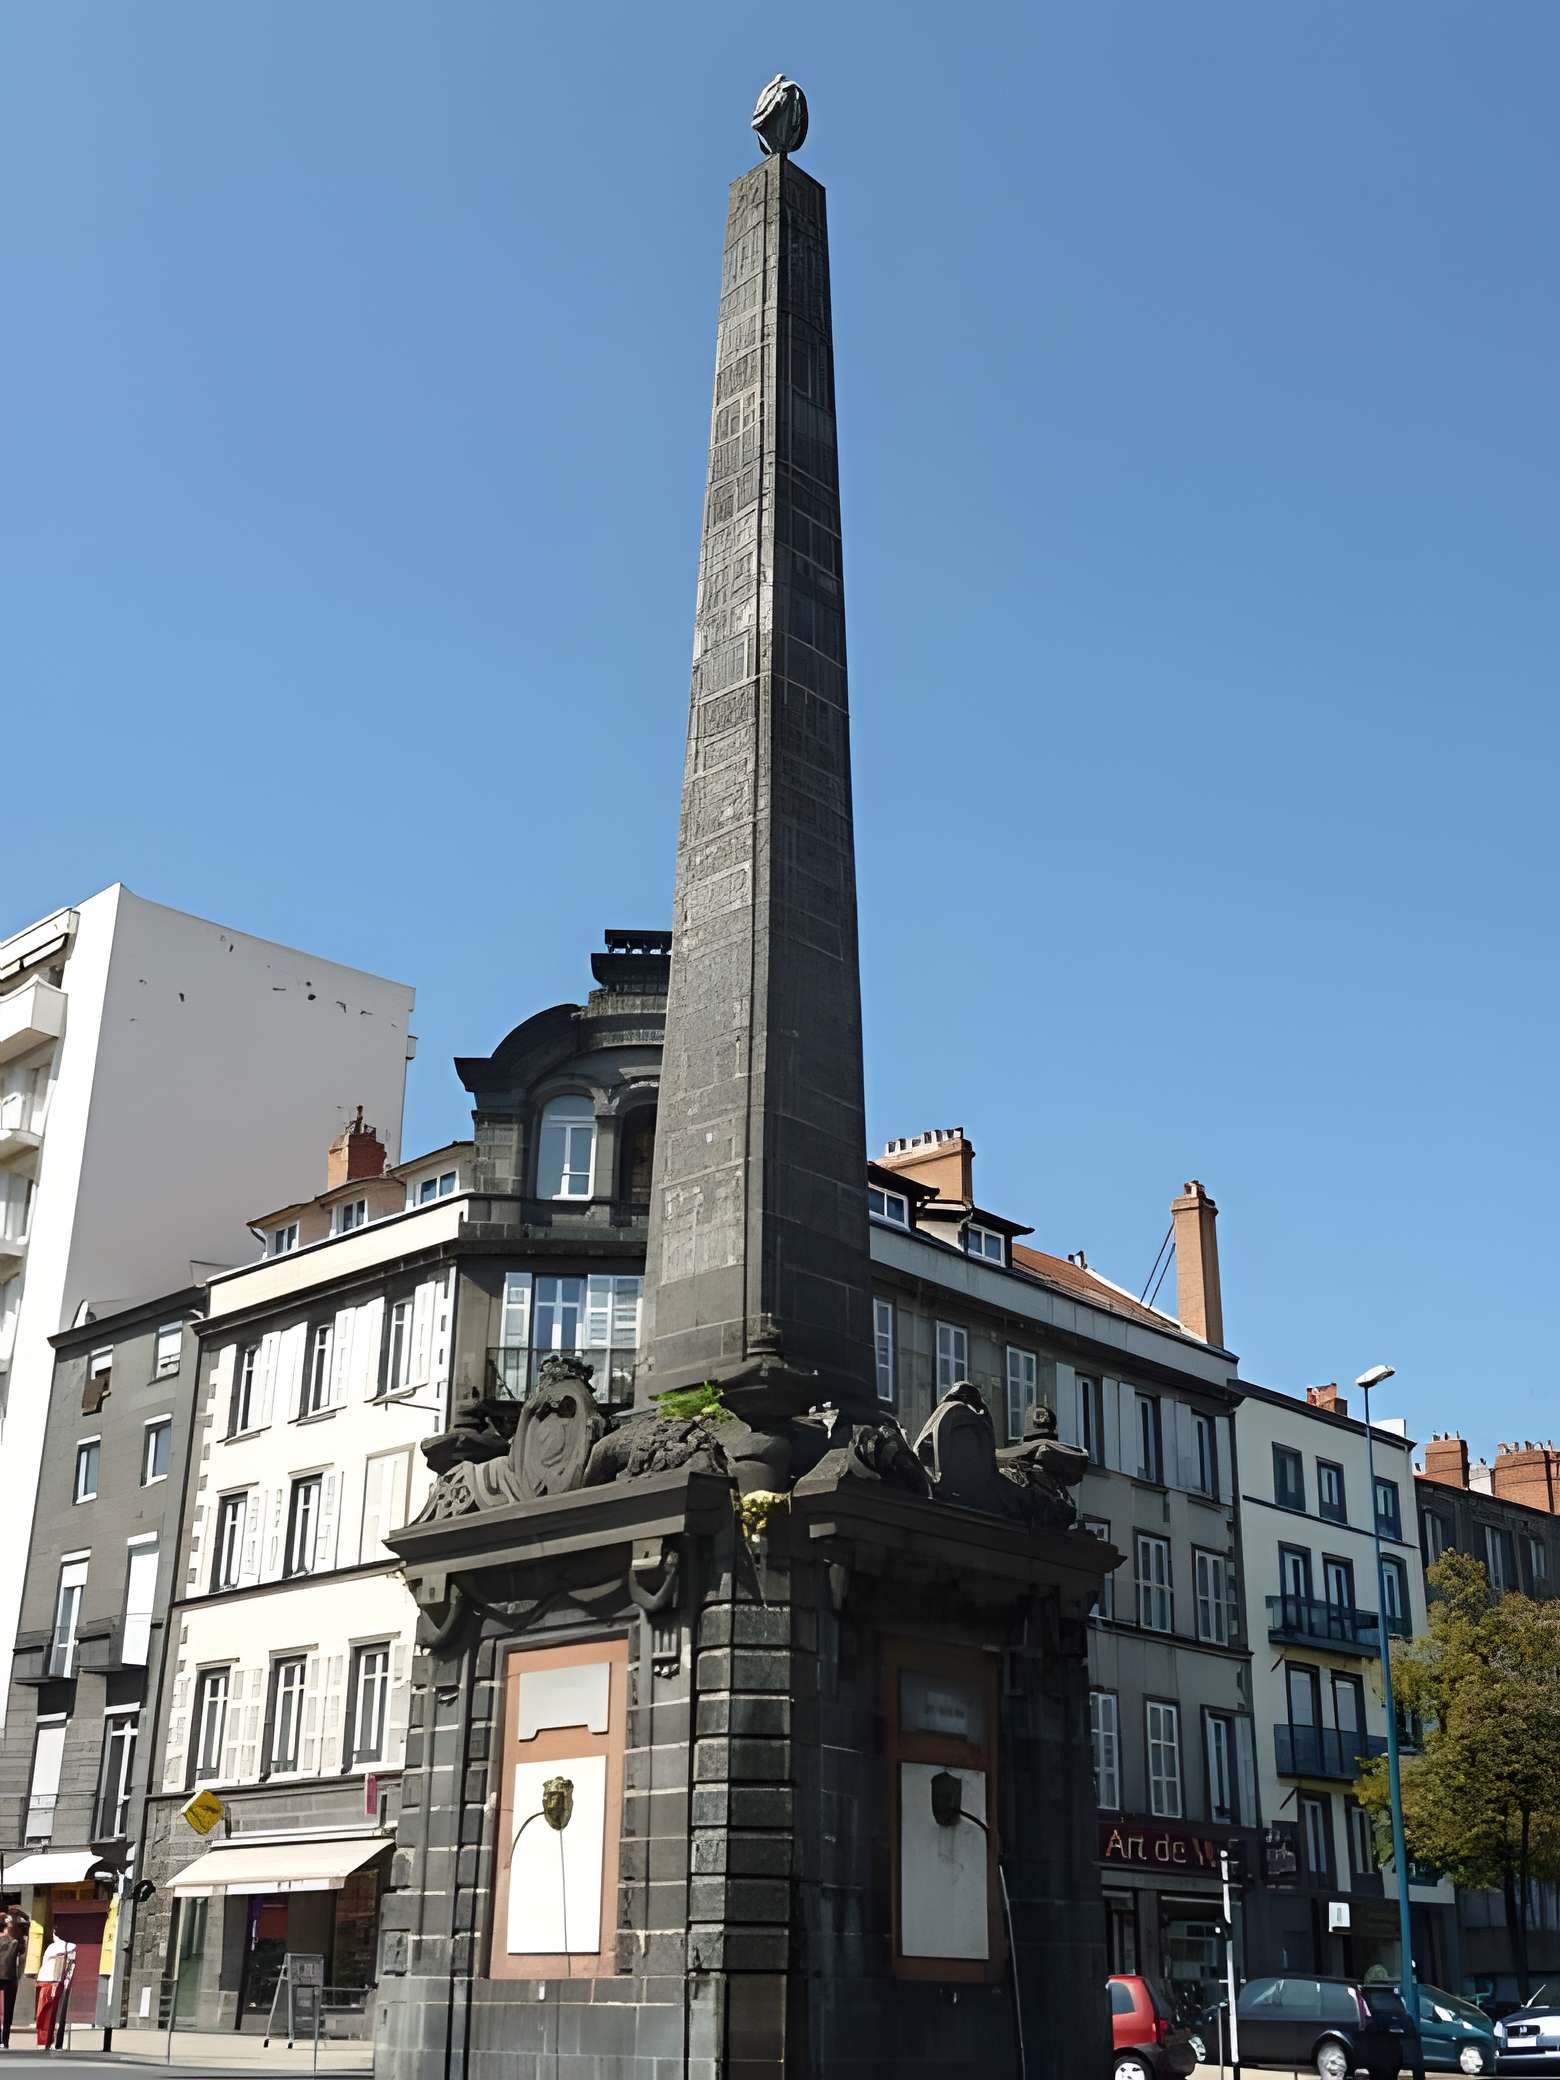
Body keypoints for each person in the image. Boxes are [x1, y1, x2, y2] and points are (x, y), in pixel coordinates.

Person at [33, 1930, 74, 2051]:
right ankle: (47, 2039)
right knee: (47, 2012)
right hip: (52, 1980)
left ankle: (44, 2040)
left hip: (50, 1980)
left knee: (45, 2012)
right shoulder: (64, 1946)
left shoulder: (56, 1946)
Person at [0, 1915, 22, 2048]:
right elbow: (23, 1950)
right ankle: (5, 2040)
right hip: (10, 1978)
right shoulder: (14, 1942)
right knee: (8, 2010)